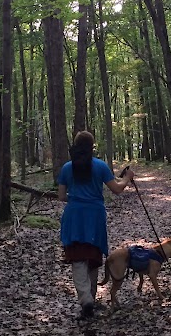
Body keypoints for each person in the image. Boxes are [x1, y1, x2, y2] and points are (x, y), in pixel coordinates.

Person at [57, 131, 134, 319]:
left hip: (74, 216)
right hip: (94, 216)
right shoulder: (100, 166)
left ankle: (86, 300)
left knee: (78, 258)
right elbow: (117, 189)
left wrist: (77, 198)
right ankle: (90, 298)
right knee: (92, 256)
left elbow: (61, 196)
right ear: (92, 146)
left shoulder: (67, 168)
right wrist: (127, 178)